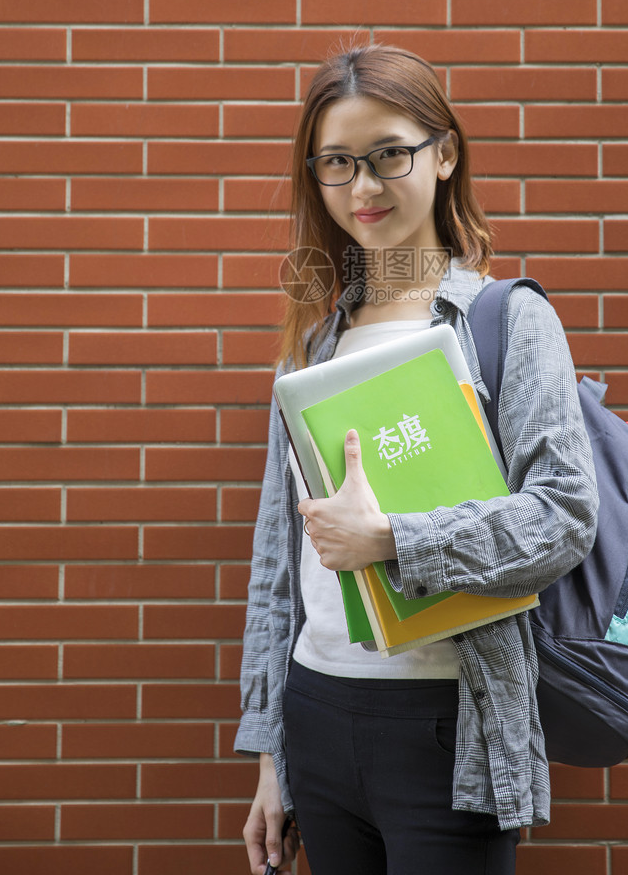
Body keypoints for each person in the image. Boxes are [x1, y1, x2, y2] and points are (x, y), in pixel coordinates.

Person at [236, 43, 598, 875]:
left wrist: (396, 537)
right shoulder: (312, 347)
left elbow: (566, 515)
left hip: (448, 722)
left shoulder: (506, 322)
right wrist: (270, 753)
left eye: (388, 154)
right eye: (336, 163)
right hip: (317, 717)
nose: (363, 188)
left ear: (445, 153)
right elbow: (278, 562)